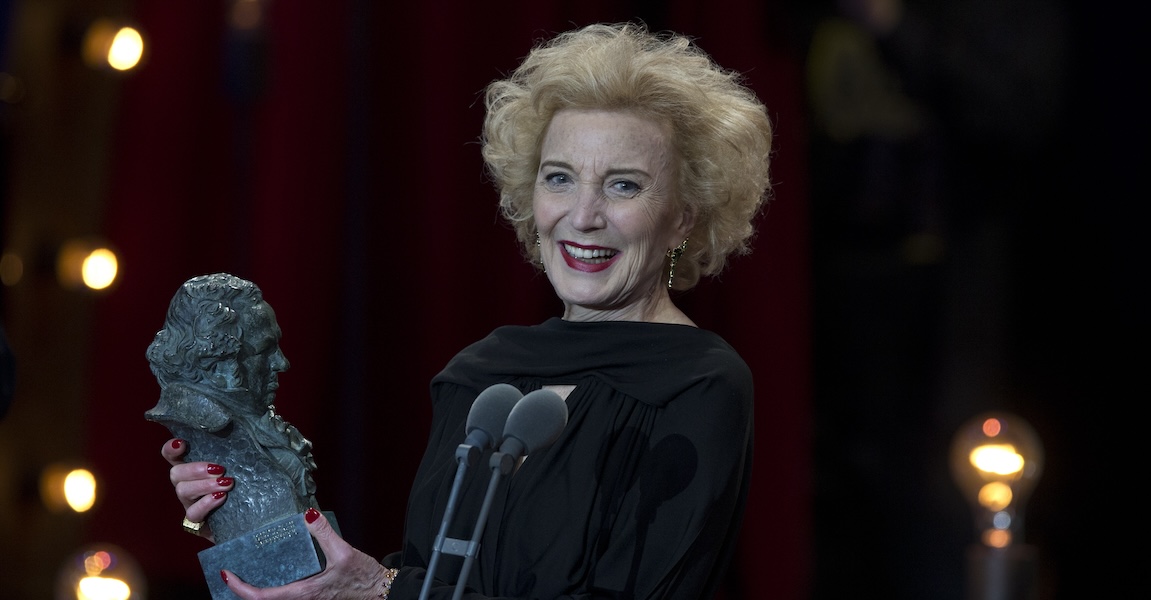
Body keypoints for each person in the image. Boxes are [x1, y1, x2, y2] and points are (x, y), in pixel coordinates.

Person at [160, 22, 773, 599]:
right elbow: (438, 580)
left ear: (684, 217)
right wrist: (259, 524)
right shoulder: (480, 374)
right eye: (559, 178)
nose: (583, 215)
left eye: (623, 185)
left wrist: (381, 588)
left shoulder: (699, 385)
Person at [147, 273, 319, 542]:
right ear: (219, 358)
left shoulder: (262, 421)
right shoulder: (205, 417)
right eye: (265, 350)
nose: (282, 363)